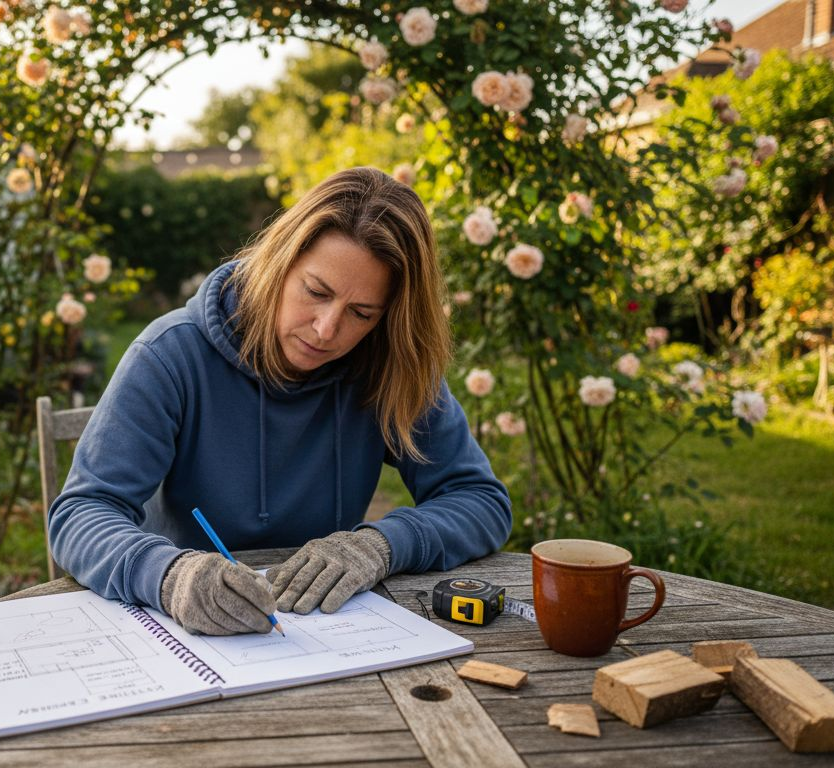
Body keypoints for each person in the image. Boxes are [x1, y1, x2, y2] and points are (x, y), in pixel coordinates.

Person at [49, 166, 511, 635]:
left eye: (361, 312)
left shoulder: (388, 363)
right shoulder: (170, 356)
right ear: (279, 263)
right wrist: (170, 576)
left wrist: (381, 545)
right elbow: (80, 515)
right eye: (316, 291)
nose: (327, 329)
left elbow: (480, 501)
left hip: (328, 637)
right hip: (185, 637)